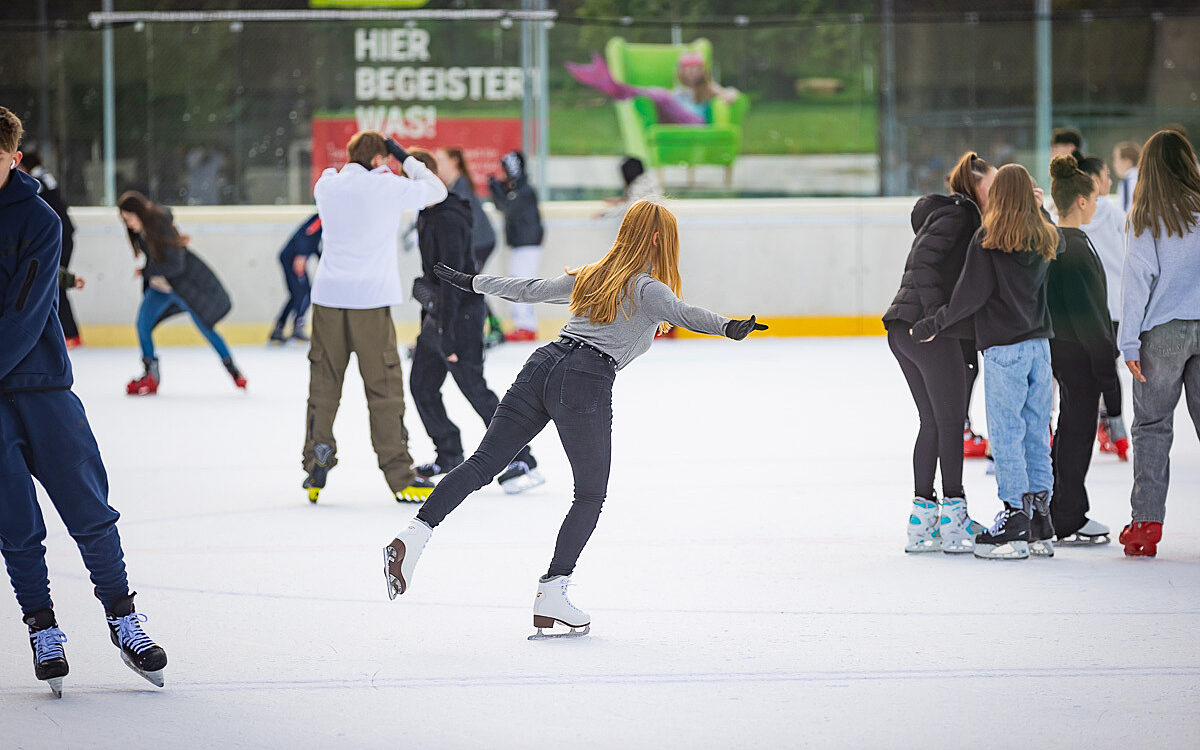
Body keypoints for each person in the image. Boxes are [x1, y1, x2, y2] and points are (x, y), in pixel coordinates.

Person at [383, 200, 767, 638]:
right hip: (585, 380)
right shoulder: (649, 289)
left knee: (482, 464)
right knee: (589, 494)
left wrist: (472, 282)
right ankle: (552, 591)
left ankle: (413, 536)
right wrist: (729, 327)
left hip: (541, 365)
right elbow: (686, 314)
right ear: (659, 238)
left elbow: (528, 289)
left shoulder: (591, 275)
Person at [0, 106, 167, 697]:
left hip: (42, 384)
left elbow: (25, 315)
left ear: (14, 159)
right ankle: (42, 627)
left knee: (89, 509)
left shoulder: (39, 219)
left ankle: (123, 618)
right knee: (15, 523)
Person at [912, 164, 1062, 561]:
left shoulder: (989, 238)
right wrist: (1041, 210)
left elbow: (969, 296)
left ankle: (1014, 518)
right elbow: (1055, 236)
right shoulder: (1044, 235)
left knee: (1007, 434)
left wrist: (934, 323)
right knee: (1036, 432)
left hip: (1005, 349)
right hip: (1039, 348)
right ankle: (1040, 519)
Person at [302, 131, 447, 504]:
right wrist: (403, 156)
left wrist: (381, 162)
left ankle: (316, 459)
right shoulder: (388, 187)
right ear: (381, 160)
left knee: (324, 383)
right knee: (383, 388)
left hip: (328, 299)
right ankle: (400, 475)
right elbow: (437, 190)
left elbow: (340, 177)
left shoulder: (327, 186)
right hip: (370, 300)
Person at [407, 149, 543, 492]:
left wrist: (447, 334)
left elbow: (454, 281)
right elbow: (433, 277)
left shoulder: (450, 217)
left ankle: (521, 456)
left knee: (474, 389)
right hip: (438, 317)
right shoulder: (426, 213)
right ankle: (449, 453)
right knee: (422, 385)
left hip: (460, 317)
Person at [883, 151, 995, 554]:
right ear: (976, 186)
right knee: (948, 424)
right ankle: (953, 518)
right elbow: (923, 262)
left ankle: (922, 519)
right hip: (924, 329)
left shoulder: (960, 216)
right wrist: (934, 319)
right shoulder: (960, 214)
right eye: (993, 184)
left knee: (932, 422)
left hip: (905, 328)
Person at [1117, 129, 1200, 557]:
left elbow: (1137, 280)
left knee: (1152, 427)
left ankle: (1146, 525)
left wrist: (1128, 341)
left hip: (1163, 332)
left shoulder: (1146, 215)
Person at [1046, 154, 1119, 549]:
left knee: (1071, 433)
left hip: (1067, 354)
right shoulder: (1071, 248)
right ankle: (1067, 515)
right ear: (1080, 201)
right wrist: (1107, 370)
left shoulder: (1064, 242)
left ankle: (1063, 509)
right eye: (1093, 199)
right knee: (1076, 435)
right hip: (1077, 358)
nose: (1096, 206)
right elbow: (1088, 315)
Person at [118, 190, 246, 395]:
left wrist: (146, 271)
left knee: (205, 326)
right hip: (159, 289)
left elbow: (176, 265)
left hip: (181, 288)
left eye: (129, 218)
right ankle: (151, 374)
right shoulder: (141, 234)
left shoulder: (159, 226)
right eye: (125, 220)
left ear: (139, 213)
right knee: (143, 325)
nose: (128, 224)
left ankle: (233, 371)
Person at [1078, 156, 1130, 460]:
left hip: (1086, 309)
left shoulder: (1071, 215)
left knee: (1086, 371)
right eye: (1106, 175)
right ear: (1095, 181)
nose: (1110, 180)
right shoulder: (1114, 214)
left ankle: (1099, 427)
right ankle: (1115, 430)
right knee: (1107, 369)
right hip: (1113, 308)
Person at [435, 146, 505, 346]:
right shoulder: (455, 186)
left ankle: (488, 328)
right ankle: (488, 327)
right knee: (470, 285)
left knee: (470, 285)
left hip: (480, 243)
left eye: (440, 160)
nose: (438, 165)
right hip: (474, 243)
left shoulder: (460, 187)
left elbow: (462, 221)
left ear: (454, 161)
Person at [566, 51, 738, 126]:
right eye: (688, 69)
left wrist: (729, 94)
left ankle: (620, 90)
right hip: (678, 122)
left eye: (695, 69)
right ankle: (619, 89)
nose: (691, 73)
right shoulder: (679, 90)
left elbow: (729, 93)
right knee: (660, 97)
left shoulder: (708, 87)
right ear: (681, 72)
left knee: (661, 94)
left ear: (702, 71)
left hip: (695, 123)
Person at [18, 149, 80, 348]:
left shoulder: (38, 182)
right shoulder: (45, 178)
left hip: (59, 237)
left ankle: (70, 333)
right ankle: (69, 333)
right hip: (62, 236)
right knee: (54, 282)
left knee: (55, 283)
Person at [488, 150, 544, 341]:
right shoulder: (519, 190)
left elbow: (506, 207)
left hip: (527, 244)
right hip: (522, 244)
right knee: (518, 282)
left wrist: (496, 189)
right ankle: (524, 325)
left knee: (519, 283)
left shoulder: (524, 191)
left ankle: (526, 326)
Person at [270, 212, 322, 344]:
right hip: (293, 258)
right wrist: (301, 255)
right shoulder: (321, 217)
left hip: (291, 256)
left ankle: (279, 328)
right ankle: (298, 327)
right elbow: (307, 234)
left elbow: (315, 244)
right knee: (305, 293)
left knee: (296, 295)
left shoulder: (324, 219)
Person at [596, 156, 662, 220]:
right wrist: (622, 200)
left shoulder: (639, 185)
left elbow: (631, 208)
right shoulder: (647, 180)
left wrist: (604, 214)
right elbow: (639, 198)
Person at [1113, 141, 1140, 213]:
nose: (1114, 165)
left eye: (1116, 159)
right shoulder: (1146, 178)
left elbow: (1125, 212)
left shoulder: (1127, 183)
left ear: (1126, 161)